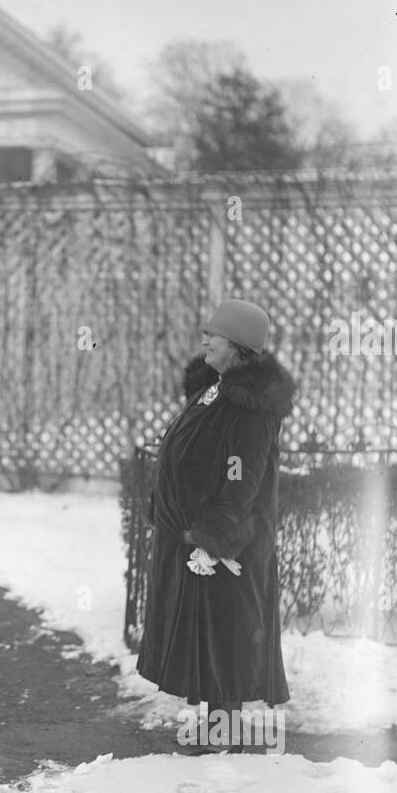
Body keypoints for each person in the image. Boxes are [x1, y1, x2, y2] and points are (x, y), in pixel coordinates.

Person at [136, 298, 296, 752]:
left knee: (225, 627)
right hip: (193, 537)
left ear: (239, 345)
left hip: (226, 543)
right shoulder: (215, 389)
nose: (203, 339)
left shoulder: (249, 407)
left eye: (214, 334)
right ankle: (213, 721)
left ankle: (224, 728)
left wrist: (214, 537)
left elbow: (242, 476)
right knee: (206, 627)